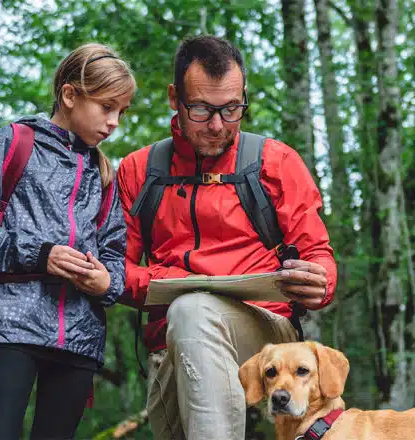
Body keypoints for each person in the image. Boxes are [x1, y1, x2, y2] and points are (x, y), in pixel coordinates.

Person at [115, 35, 338, 439]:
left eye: (232, 109)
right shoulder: (139, 172)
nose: (218, 125)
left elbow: (318, 255)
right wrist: (168, 281)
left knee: (192, 311)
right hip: (172, 342)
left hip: (268, 334)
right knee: (188, 313)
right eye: (201, 109)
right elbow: (117, 272)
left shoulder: (275, 162)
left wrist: (319, 281)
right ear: (174, 97)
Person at [0, 43, 134, 440]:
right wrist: (41, 254)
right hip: (9, 327)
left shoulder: (104, 175)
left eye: (122, 111)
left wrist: (107, 283)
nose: (115, 121)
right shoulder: (14, 142)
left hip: (81, 338)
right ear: (70, 95)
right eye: (106, 107)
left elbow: (116, 252)